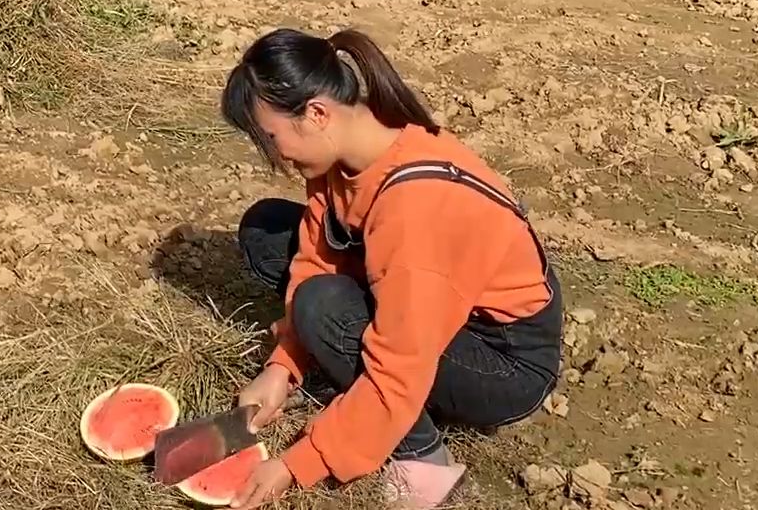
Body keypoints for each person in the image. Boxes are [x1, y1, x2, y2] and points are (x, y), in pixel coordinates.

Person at [217, 28, 563, 510]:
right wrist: (283, 366)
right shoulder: (347, 154)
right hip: (424, 292)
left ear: (316, 113)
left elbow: (400, 366)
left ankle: (421, 453)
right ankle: (339, 351)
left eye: (272, 138)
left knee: (322, 305)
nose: (275, 157)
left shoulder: (415, 208)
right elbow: (317, 254)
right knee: (269, 230)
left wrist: (300, 462)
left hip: (503, 360)